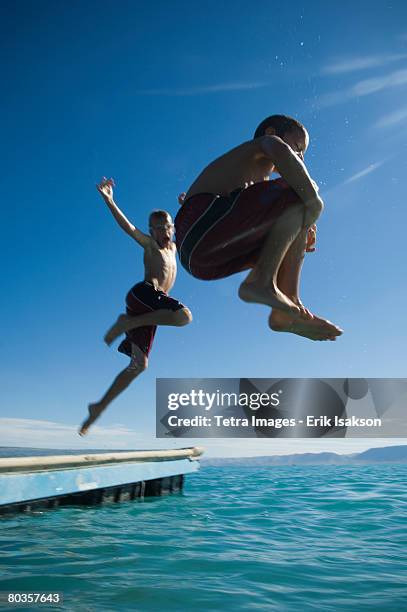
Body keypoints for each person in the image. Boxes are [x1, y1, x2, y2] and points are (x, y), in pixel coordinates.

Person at [175, 114, 342, 341]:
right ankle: (262, 281)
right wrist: (314, 203)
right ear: (272, 133)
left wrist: (298, 232)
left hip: (203, 262)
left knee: (295, 219)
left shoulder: (255, 189)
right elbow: (280, 151)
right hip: (200, 226)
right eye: (298, 146)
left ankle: (286, 306)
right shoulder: (263, 145)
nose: (302, 155)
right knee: (302, 191)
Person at [79, 178, 192, 436]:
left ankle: (97, 408)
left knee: (138, 365)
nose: (163, 232)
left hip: (151, 310)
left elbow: (188, 229)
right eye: (157, 228)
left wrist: (186, 206)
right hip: (143, 295)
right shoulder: (150, 245)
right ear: (150, 232)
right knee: (184, 316)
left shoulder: (174, 247)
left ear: (172, 229)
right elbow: (128, 228)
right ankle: (126, 323)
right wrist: (109, 200)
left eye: (167, 228)